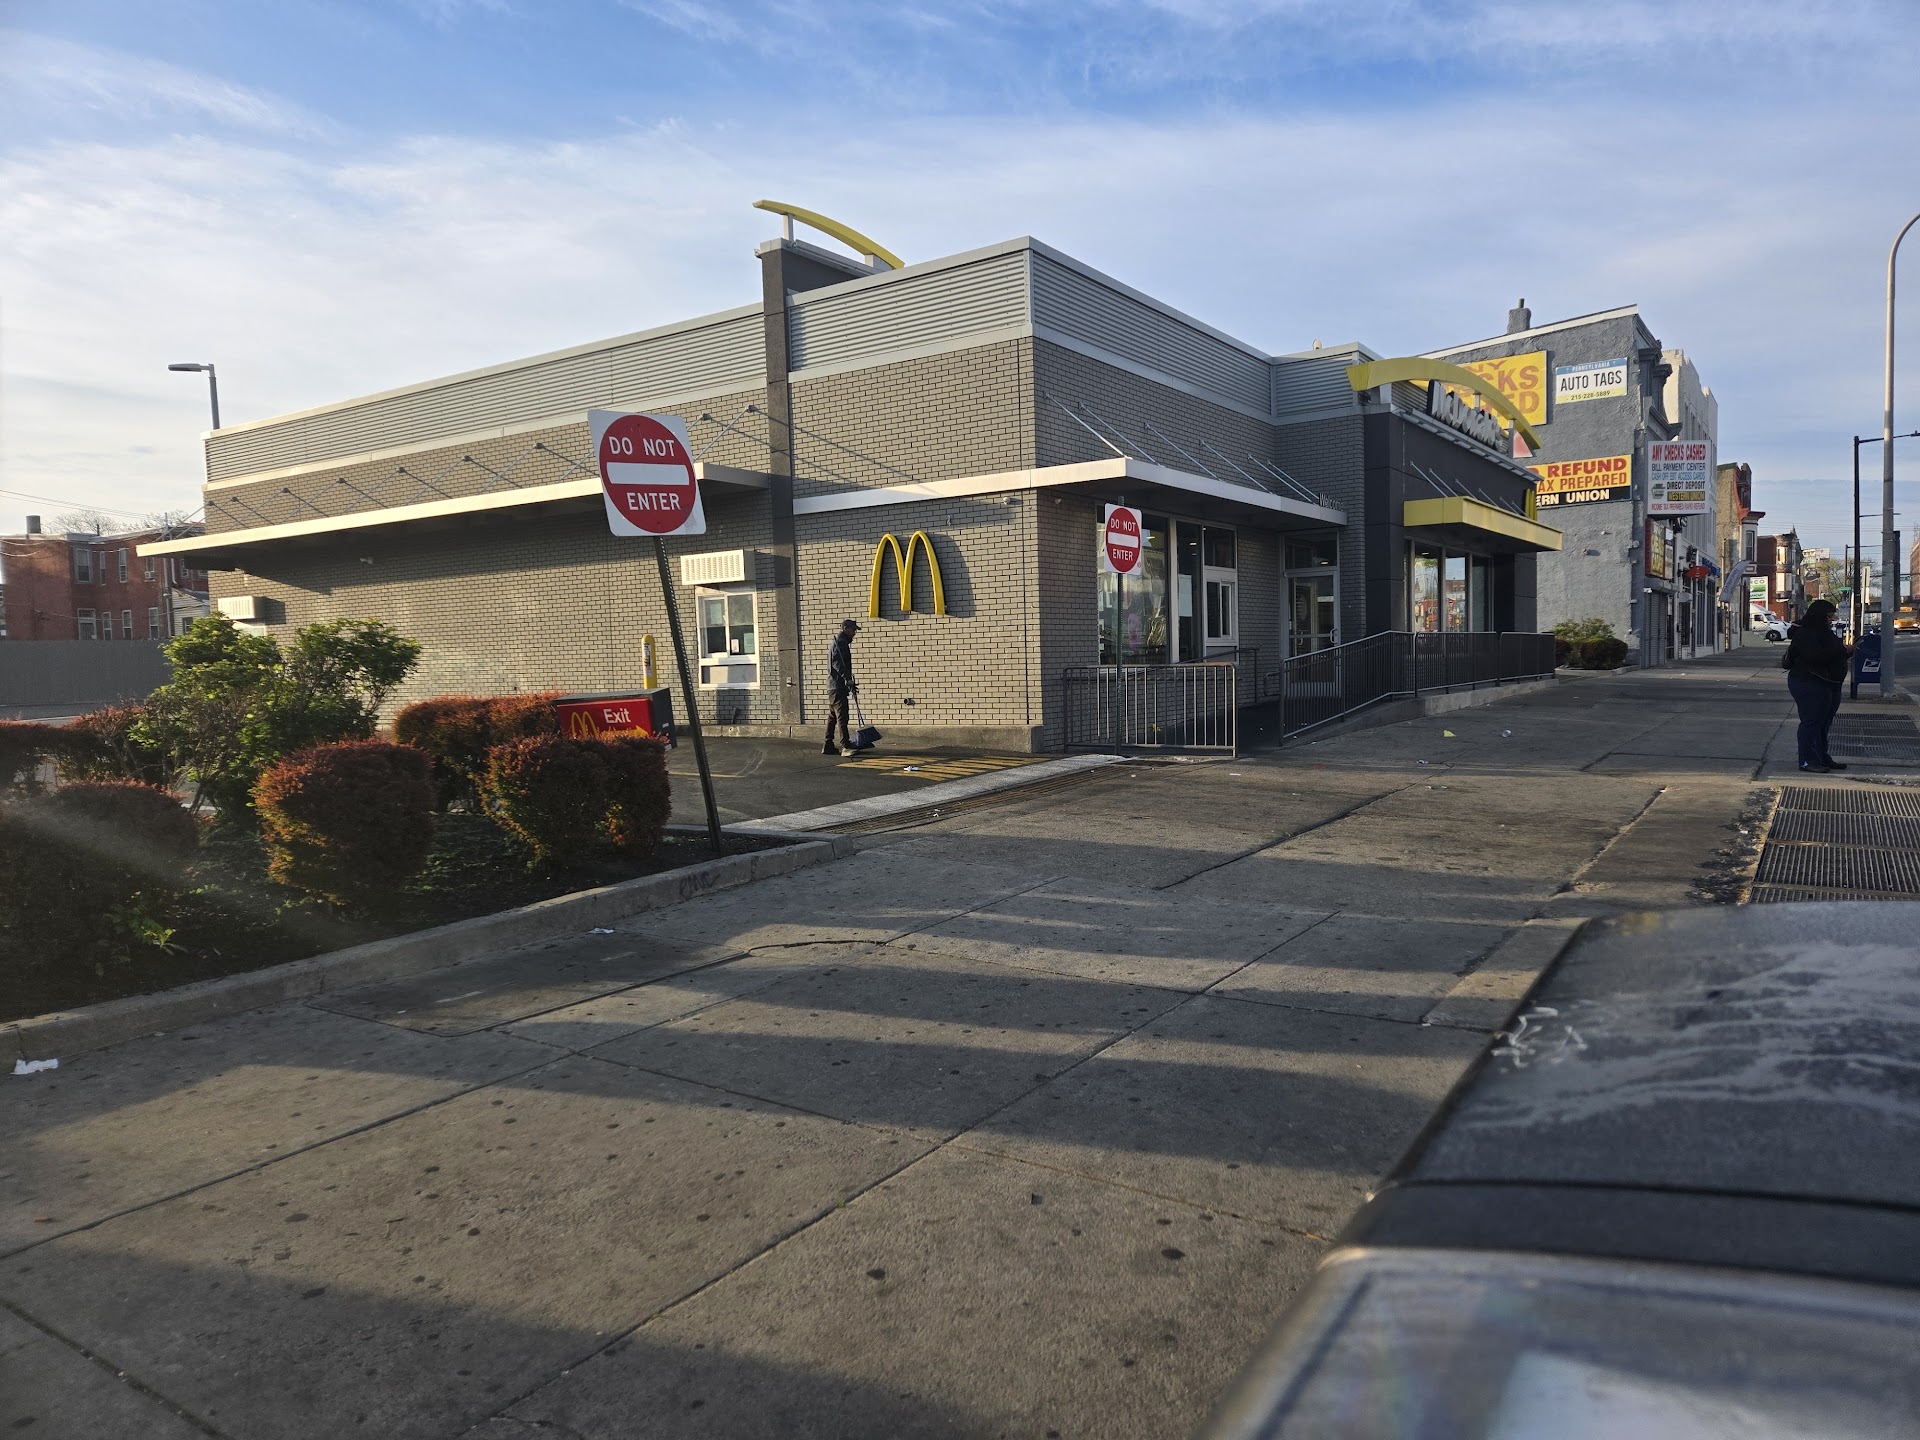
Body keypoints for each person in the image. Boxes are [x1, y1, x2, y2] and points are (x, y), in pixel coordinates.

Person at [1784, 598, 1851, 773]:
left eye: (1832, 616)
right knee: (1811, 722)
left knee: (1823, 722)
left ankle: (1821, 757)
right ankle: (1807, 760)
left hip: (1827, 683)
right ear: (1819, 616)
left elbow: (1830, 656)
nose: (1830, 620)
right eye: (1828, 616)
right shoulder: (1806, 633)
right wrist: (1842, 650)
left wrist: (1845, 653)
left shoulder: (1824, 632)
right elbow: (1815, 657)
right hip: (1809, 682)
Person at [823, 618, 860, 756]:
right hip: (837, 685)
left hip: (833, 686)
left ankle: (828, 745)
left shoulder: (839, 642)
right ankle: (845, 746)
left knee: (833, 716)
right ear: (845, 629)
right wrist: (847, 679)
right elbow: (837, 663)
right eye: (853, 630)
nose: (854, 633)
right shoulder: (840, 643)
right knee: (842, 716)